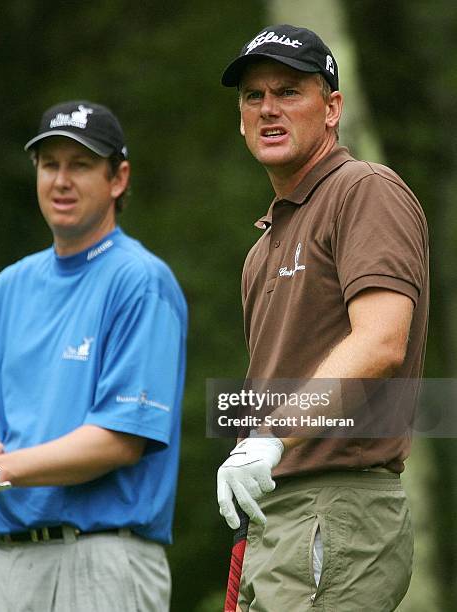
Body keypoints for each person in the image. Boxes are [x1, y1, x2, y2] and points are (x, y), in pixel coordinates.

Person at [0, 99, 187, 612]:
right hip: (5, 562)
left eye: (80, 165)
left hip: (102, 560)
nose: (61, 180)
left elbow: (117, 441)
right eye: (49, 164)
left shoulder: (140, 282)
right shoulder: (8, 287)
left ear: (118, 179)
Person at [215, 25, 429, 611]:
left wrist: (270, 439)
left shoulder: (364, 189)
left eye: (288, 91)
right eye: (253, 97)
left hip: (336, 509)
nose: (268, 109)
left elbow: (382, 342)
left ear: (332, 108)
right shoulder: (261, 249)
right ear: (240, 117)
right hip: (277, 518)